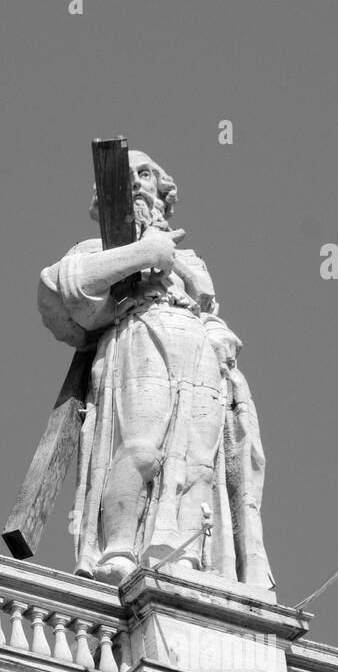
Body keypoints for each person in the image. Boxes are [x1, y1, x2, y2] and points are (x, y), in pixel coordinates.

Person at [38, 150, 273, 588]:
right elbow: (62, 287)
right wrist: (144, 253)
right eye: (125, 178)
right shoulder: (100, 250)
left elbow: (207, 310)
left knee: (199, 463)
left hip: (199, 352)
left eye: (144, 174)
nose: (136, 184)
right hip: (140, 336)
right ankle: (119, 550)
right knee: (141, 448)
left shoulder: (195, 263)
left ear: (163, 190)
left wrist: (217, 330)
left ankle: (185, 560)